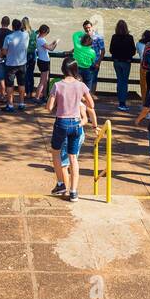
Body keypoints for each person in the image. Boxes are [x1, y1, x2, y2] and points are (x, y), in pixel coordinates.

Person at [47, 58, 97, 200]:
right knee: (73, 158)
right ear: (75, 70)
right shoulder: (81, 85)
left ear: (63, 69)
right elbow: (91, 104)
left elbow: (49, 108)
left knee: (55, 152)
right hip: (75, 123)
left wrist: (55, 101)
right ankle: (74, 192)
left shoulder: (57, 85)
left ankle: (61, 183)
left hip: (61, 123)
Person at [0, 19, 29, 113]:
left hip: (11, 64)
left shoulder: (8, 37)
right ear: (20, 26)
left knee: (9, 85)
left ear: (12, 27)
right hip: (22, 63)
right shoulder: (26, 35)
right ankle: (21, 103)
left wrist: (8, 52)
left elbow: (4, 51)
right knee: (21, 84)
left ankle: (10, 105)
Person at [110, 20, 137, 113]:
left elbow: (111, 50)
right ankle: (123, 103)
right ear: (126, 28)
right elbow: (133, 51)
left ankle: (120, 101)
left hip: (117, 62)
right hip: (126, 62)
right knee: (124, 82)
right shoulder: (130, 38)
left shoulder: (114, 37)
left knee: (119, 80)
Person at [34, 24, 57, 103]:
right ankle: (37, 97)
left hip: (42, 60)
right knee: (43, 81)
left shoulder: (38, 38)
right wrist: (56, 43)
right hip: (44, 61)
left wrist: (52, 43)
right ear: (45, 32)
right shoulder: (41, 40)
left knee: (45, 80)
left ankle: (44, 96)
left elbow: (47, 47)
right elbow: (51, 49)